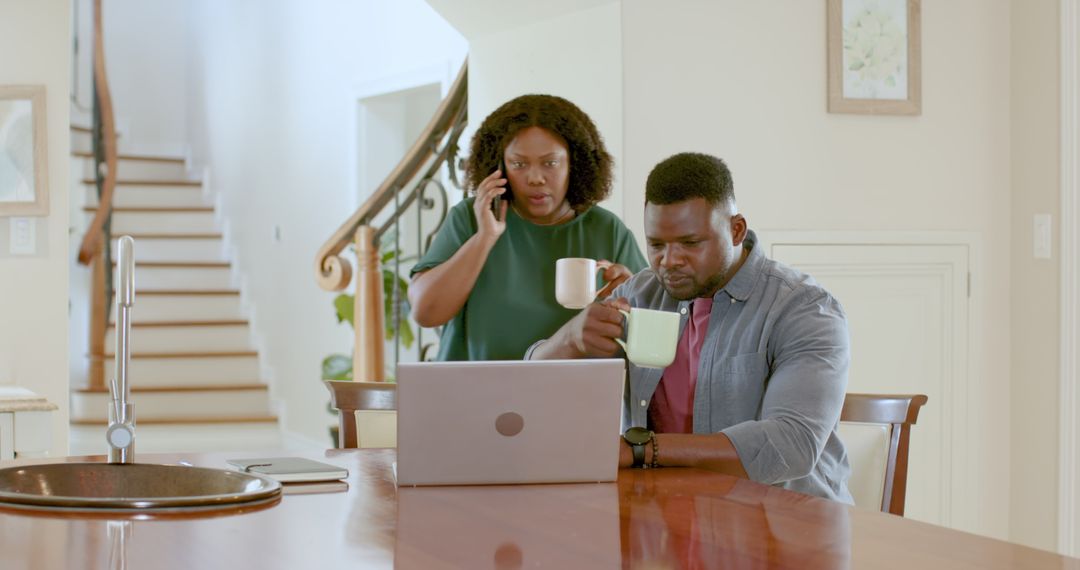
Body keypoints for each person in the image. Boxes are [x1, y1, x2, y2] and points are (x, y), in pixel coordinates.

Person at [528, 152, 852, 502]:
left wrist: (642, 450)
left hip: (788, 530)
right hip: (669, 522)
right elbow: (531, 394)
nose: (669, 261)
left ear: (736, 229)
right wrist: (571, 338)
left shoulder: (803, 309)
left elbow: (791, 446)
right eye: (656, 245)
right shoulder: (640, 295)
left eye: (690, 243)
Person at [408, 94, 647, 361]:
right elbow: (425, 312)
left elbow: (650, 336)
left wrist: (632, 298)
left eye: (550, 163)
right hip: (473, 395)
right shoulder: (471, 218)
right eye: (519, 164)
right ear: (499, 167)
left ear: (574, 163)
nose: (535, 178)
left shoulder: (606, 229)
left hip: (571, 396)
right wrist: (485, 238)